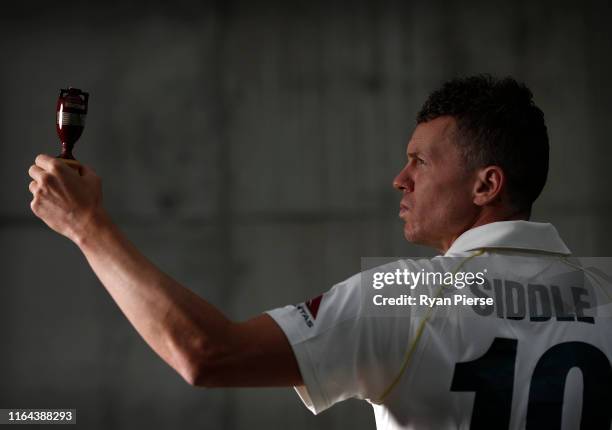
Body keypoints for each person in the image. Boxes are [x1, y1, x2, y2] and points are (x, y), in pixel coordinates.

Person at [27, 75, 611, 429]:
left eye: (420, 160)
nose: (399, 179)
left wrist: (87, 225)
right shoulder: (607, 294)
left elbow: (207, 354)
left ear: (486, 185)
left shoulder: (409, 296)